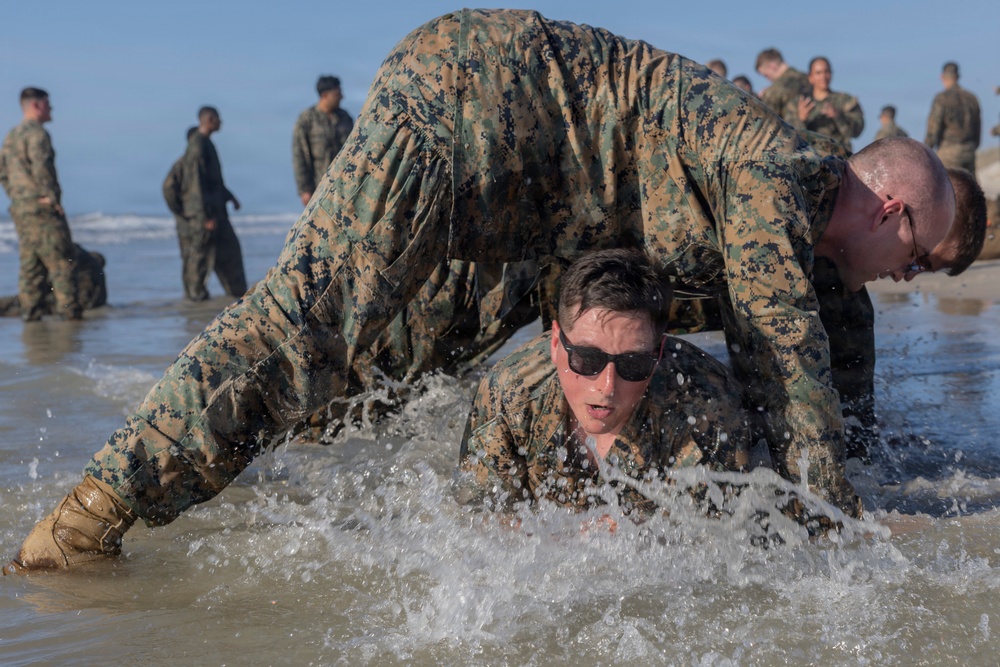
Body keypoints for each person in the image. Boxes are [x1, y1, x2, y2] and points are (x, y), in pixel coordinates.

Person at [7, 10, 975, 573]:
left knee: (373, 377)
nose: (912, 281)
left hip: (527, 226)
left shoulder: (813, 233)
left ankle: (262, 484)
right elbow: (777, 344)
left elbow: (826, 342)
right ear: (890, 212)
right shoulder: (775, 173)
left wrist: (872, 464)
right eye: (921, 259)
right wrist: (837, 543)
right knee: (306, 324)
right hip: (467, 110)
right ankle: (90, 515)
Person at [457, 248, 750, 517]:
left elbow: (719, 544)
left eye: (633, 364)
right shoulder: (510, 392)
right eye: (588, 359)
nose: (607, 386)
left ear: (657, 353)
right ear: (556, 342)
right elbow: (478, 518)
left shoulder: (707, 411)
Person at [0, 87, 82, 321]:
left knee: (31, 265)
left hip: (21, 209)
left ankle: (31, 317)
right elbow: (42, 169)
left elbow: (2, 172)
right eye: (48, 104)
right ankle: (71, 320)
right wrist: (51, 199)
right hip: (42, 208)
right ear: (36, 105)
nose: (52, 108)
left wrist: (17, 196)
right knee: (62, 263)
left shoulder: (11, 136)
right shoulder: (37, 135)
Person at [176, 106, 247, 301]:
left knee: (231, 256)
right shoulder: (197, 145)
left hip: (217, 213)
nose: (221, 122)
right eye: (218, 118)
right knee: (200, 262)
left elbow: (213, 182)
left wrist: (229, 197)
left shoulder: (208, 144)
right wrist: (204, 215)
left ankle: (239, 299)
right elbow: (196, 184)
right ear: (209, 120)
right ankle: (195, 307)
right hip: (206, 217)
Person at [162, 126, 217, 301]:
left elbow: (168, 187)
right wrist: (182, 210)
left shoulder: (185, 163)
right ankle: (195, 296)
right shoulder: (187, 163)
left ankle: (192, 299)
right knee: (196, 257)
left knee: (189, 257)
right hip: (193, 220)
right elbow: (168, 188)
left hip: (187, 219)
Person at [292, 75, 355, 207]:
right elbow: (299, 157)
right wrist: (304, 190)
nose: (342, 97)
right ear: (325, 95)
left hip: (345, 187)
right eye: (337, 94)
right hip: (319, 189)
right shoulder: (307, 120)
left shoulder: (345, 117)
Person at [0, 243, 107, 318]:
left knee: (32, 303)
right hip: (85, 301)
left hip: (74, 302)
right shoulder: (90, 267)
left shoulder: (73, 256)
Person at [790, 57, 864, 152]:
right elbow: (789, 135)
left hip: (840, 159)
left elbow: (856, 131)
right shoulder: (799, 103)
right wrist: (801, 119)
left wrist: (838, 116)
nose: (823, 77)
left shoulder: (845, 101)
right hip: (808, 158)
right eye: (818, 73)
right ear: (810, 77)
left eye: (827, 72)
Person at [925, 62, 981, 177]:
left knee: (950, 190)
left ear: (942, 77)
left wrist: (925, 152)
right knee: (970, 191)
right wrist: (972, 146)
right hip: (969, 151)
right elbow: (978, 127)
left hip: (948, 153)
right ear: (958, 76)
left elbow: (933, 129)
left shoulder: (941, 99)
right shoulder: (972, 98)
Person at [755, 48, 810, 124]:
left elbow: (766, 123)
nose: (768, 80)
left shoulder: (774, 91)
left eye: (766, 75)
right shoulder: (809, 79)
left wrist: (762, 98)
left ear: (772, 66)